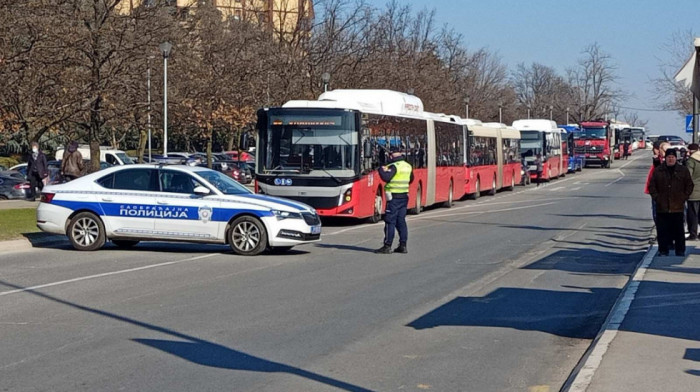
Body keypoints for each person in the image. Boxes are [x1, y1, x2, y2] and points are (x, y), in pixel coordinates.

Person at [649, 148, 694, 256]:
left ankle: (680, 250)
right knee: (662, 231)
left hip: (677, 206)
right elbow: (652, 186)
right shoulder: (659, 170)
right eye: (669, 157)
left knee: (678, 230)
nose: (670, 159)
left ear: (676, 158)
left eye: (672, 157)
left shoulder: (682, 170)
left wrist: (684, 197)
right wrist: (657, 198)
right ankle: (663, 250)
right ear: (665, 158)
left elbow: (689, 185)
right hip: (662, 206)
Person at [374, 147, 414, 254]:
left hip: (393, 198)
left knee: (390, 221)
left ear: (391, 155)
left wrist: (381, 168)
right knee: (401, 221)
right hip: (404, 197)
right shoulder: (407, 166)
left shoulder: (394, 166)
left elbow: (386, 177)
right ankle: (403, 245)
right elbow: (411, 179)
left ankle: (387, 246)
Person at [685, 143, 700, 240]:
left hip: (693, 192)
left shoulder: (691, 161)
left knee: (693, 214)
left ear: (690, 151)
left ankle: (693, 234)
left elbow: (687, 177)